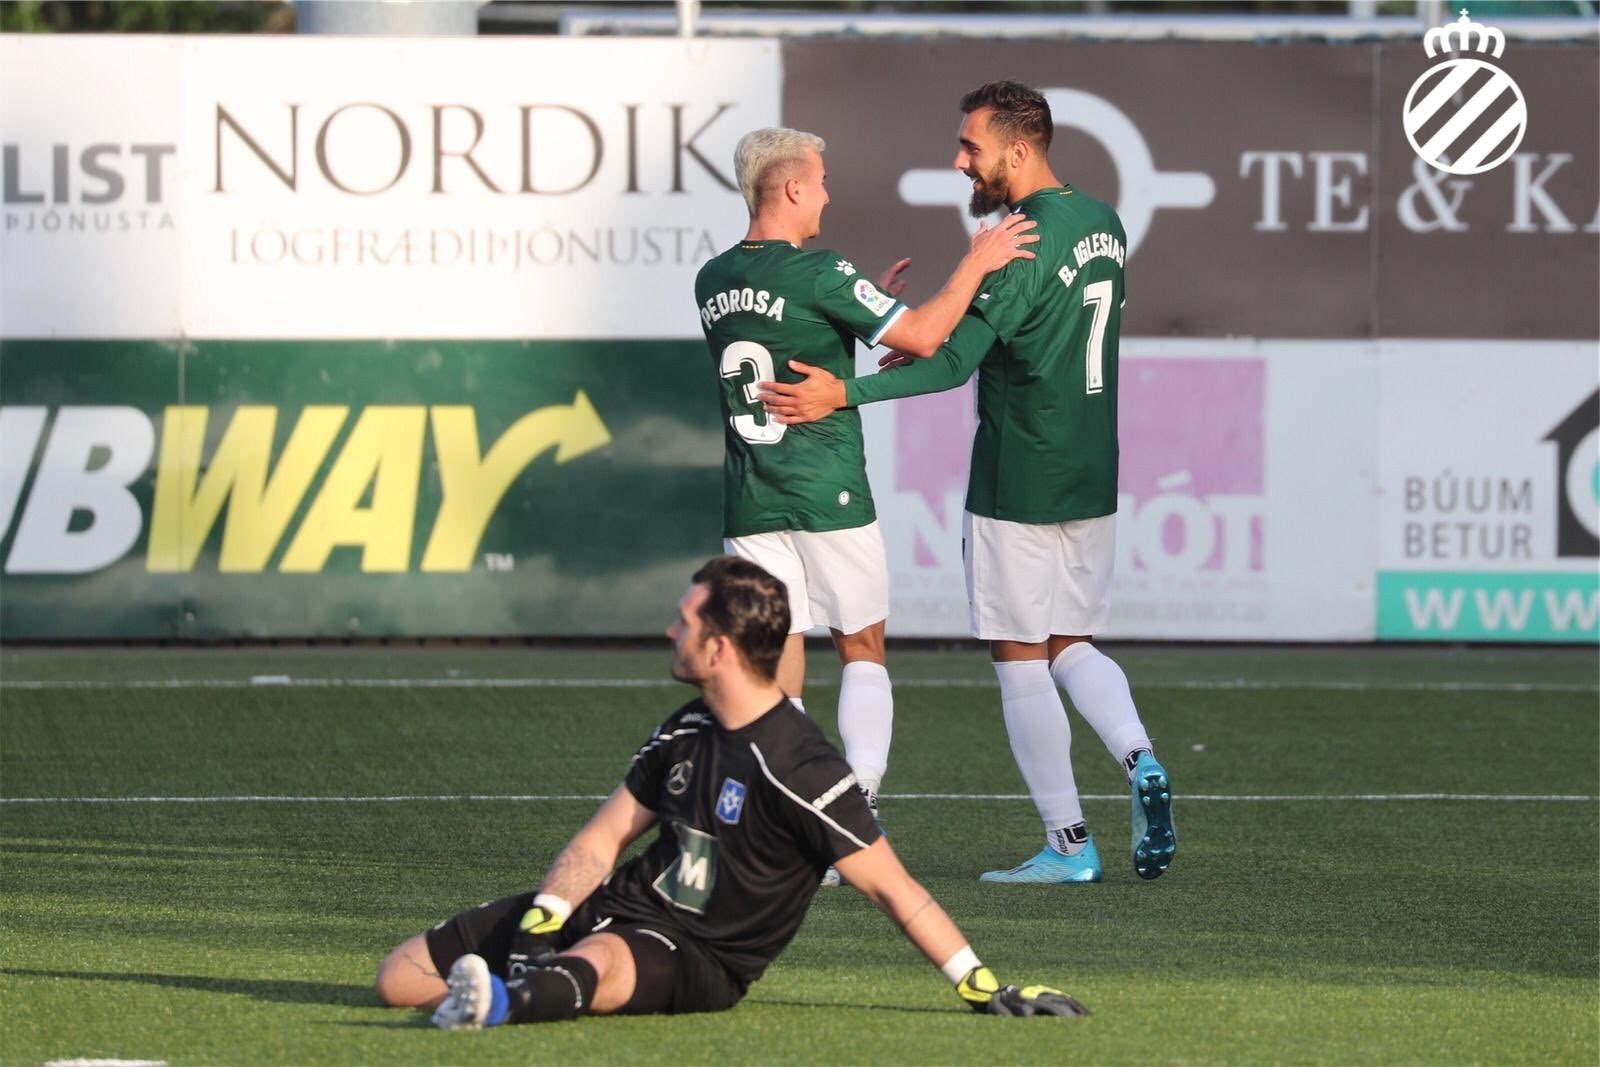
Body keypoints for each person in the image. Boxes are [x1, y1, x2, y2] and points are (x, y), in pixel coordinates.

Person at [374, 556, 1088, 1028]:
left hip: (698, 955)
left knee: (605, 963)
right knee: (397, 979)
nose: (669, 630)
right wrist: (544, 918)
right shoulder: (686, 726)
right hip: (612, 907)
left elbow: (897, 889)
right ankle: (511, 990)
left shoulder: (804, 766)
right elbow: (603, 837)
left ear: (718, 649)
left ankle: (504, 1001)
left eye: (684, 622)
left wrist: (980, 984)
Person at [758, 82, 1176, 886]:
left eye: (971, 147)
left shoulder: (1015, 241)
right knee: (1073, 643)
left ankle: (1069, 841)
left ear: (1019, 150)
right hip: (1092, 470)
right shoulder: (1105, 222)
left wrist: (844, 391)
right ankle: (1141, 757)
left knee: (1020, 658)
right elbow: (1025, 334)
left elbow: (955, 364)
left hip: (1020, 471)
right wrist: (927, 340)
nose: (960, 161)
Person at [694, 127, 1036, 858]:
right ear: (790, 188)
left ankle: (775, 816)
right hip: (827, 491)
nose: (827, 193)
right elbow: (923, 337)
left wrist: (855, 310)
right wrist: (976, 262)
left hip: (752, 494)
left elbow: (787, 331)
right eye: (819, 180)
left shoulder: (713, 278)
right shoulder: (820, 271)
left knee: (776, 661)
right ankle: (857, 807)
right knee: (862, 647)